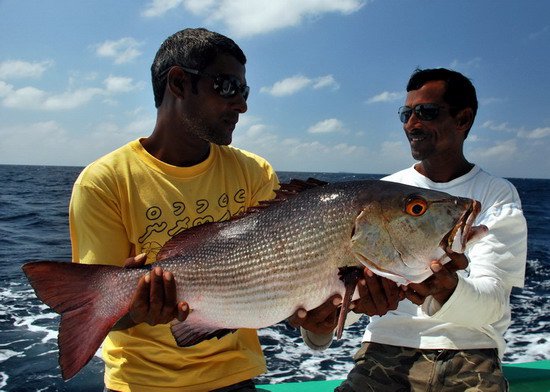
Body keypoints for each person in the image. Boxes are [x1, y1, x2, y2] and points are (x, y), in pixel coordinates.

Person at [69, 28, 279, 392]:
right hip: (141, 383)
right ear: (179, 83)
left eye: (244, 92)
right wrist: (134, 308)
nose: (241, 105)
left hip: (235, 377)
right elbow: (96, 310)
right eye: (228, 86)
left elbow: (280, 276)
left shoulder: (255, 173)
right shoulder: (104, 181)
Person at [299, 68, 528, 391]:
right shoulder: (383, 194)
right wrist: (320, 326)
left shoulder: (495, 195)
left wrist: (447, 290)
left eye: (426, 112)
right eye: (406, 114)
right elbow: (350, 292)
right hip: (385, 348)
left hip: (469, 349)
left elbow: (493, 302)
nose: (412, 124)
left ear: (463, 119)